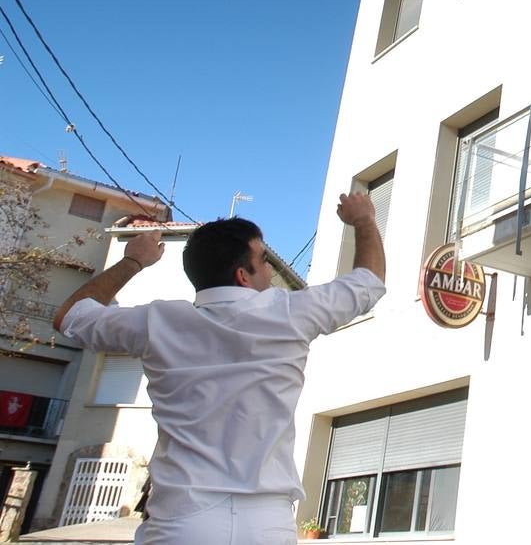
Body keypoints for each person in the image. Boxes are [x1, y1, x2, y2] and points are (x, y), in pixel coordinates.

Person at [54, 194, 387, 544]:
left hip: (181, 521)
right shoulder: (291, 312)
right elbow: (369, 282)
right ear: (243, 275)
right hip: (266, 525)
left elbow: (69, 316)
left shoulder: (158, 321)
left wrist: (134, 262)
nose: (271, 270)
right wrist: (364, 220)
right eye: (264, 260)